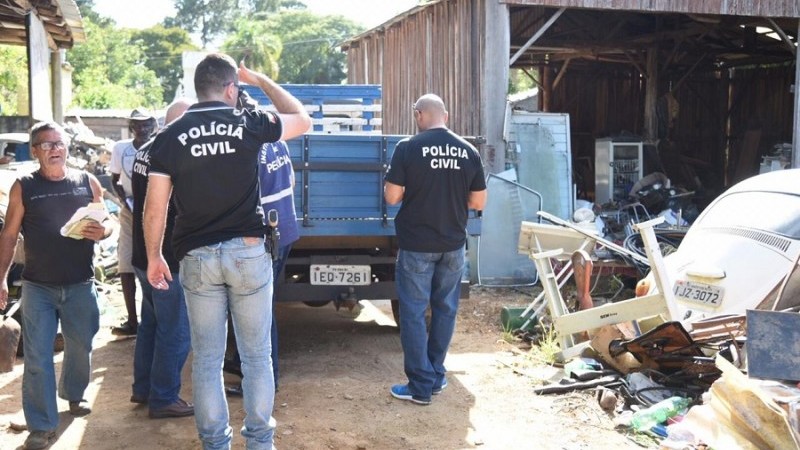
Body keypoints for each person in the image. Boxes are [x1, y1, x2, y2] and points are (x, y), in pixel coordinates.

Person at [143, 53, 311, 449]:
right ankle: (260, 442)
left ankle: (215, 444)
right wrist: (265, 81)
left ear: (196, 90)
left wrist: (154, 255)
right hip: (248, 253)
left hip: (197, 258)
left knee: (206, 360)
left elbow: (156, 206)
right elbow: (302, 119)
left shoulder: (168, 137)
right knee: (256, 357)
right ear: (232, 88)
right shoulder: (249, 122)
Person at [0, 122, 111, 449]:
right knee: (37, 356)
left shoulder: (86, 182)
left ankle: (74, 394)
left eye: (58, 143)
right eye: (45, 144)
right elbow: (9, 235)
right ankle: (41, 424)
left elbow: (104, 224)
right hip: (39, 288)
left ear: (67, 147)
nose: (54, 149)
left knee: (81, 346)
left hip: (80, 284)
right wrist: (1, 278)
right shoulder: (24, 187)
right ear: (34, 151)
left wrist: (100, 232)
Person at [384, 94, 487, 405]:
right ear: (447, 114)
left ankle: (419, 386)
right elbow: (479, 202)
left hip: (416, 246)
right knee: (445, 310)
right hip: (453, 246)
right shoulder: (469, 151)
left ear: (419, 115)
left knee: (413, 313)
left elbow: (392, 198)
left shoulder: (408, 148)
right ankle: (437, 376)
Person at [129, 99, 194, 419]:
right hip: (165, 258)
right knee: (177, 329)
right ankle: (164, 396)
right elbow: (169, 207)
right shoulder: (173, 151)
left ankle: (142, 388)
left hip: (143, 256)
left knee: (151, 325)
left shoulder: (145, 150)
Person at [224, 137, 299, 395]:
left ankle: (264, 381)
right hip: (285, 230)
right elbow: (291, 181)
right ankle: (242, 364)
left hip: (264, 237)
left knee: (259, 312)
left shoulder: (249, 148)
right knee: (261, 305)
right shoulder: (279, 143)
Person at [110, 108, 157, 336]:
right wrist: (124, 201)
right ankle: (132, 320)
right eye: (138, 125)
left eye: (147, 124)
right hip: (130, 211)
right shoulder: (121, 149)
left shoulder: (159, 146)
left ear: (153, 126)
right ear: (131, 128)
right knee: (126, 264)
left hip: (156, 210)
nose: (143, 129)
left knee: (154, 261)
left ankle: (156, 315)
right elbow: (114, 179)